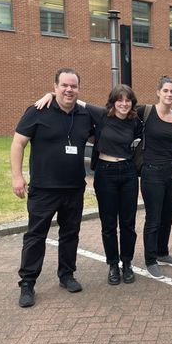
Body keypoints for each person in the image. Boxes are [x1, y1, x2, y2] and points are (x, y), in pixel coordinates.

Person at [35, 85, 142, 286]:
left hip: (127, 173)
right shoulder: (101, 114)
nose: (124, 104)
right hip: (105, 173)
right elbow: (73, 99)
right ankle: (113, 264)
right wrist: (50, 94)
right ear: (113, 102)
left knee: (128, 223)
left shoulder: (134, 121)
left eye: (128, 100)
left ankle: (126, 263)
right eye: (120, 100)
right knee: (109, 223)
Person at [11, 68, 94, 308]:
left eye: (74, 86)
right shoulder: (37, 111)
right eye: (64, 85)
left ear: (79, 89)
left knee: (70, 235)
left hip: (73, 188)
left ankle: (66, 275)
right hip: (43, 189)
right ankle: (27, 283)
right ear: (55, 86)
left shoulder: (84, 115)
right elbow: (18, 143)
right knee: (36, 236)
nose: (69, 90)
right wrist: (17, 177)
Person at [137, 76, 172, 279]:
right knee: (153, 218)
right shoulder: (145, 112)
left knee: (168, 215)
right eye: (165, 91)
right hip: (151, 171)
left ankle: (162, 253)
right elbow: (115, 110)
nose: (169, 94)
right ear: (158, 92)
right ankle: (150, 260)